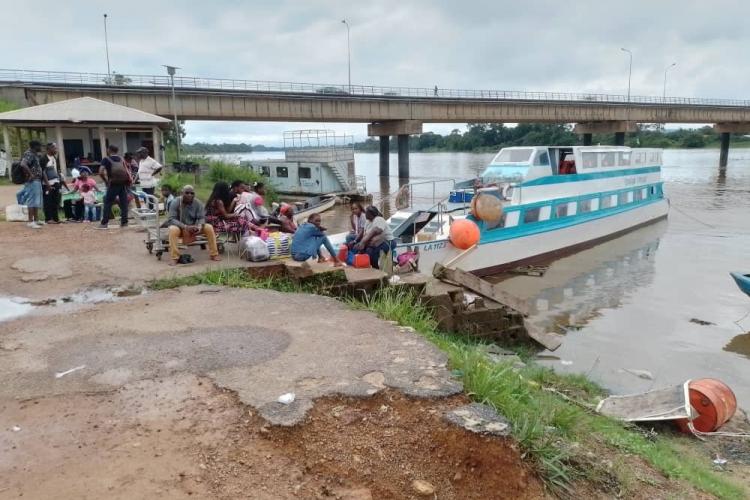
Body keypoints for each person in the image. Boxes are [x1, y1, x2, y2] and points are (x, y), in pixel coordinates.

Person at [166, 185, 221, 265]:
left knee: (209, 227)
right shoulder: (175, 202)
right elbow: (171, 219)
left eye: (192, 193)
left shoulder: (198, 203)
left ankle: (214, 254)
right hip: (180, 227)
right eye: (187, 193)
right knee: (172, 230)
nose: (189, 195)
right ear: (182, 193)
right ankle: (175, 257)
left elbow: (201, 218)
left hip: (194, 227)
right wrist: (185, 227)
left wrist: (198, 227)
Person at [97, 144, 131, 229]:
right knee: (124, 203)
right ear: (117, 151)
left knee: (107, 202)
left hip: (113, 184)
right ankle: (124, 222)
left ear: (109, 150)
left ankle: (104, 223)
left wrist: (105, 181)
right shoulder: (121, 159)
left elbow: (101, 172)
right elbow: (127, 170)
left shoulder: (106, 159)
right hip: (123, 183)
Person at [16, 140, 44, 229]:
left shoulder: (35, 154)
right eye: (40, 146)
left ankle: (36, 220)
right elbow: (23, 164)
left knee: (36, 201)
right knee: (32, 200)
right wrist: (31, 174)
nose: (41, 148)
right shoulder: (29, 154)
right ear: (35, 146)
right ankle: (30, 221)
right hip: (32, 181)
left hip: (37, 180)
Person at [41, 142, 68, 224]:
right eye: (54, 148)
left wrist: (60, 180)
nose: (56, 150)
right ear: (49, 149)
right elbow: (43, 172)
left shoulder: (54, 158)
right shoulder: (43, 159)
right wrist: (48, 184)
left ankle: (56, 218)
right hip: (47, 184)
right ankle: (48, 219)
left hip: (56, 182)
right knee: (48, 201)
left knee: (56, 201)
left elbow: (57, 170)